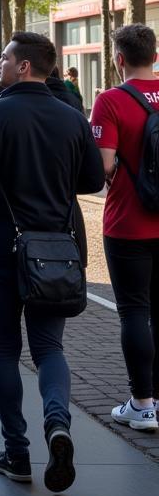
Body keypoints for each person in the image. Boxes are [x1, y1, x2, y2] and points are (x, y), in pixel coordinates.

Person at [0, 32, 104, 493]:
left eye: (4, 58)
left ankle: (16, 453)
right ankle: (58, 424)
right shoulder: (71, 118)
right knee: (49, 348)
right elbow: (94, 179)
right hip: (54, 251)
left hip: (0, 245)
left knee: (3, 348)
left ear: (23, 67)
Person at [89, 23, 159, 433]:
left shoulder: (111, 101)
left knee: (135, 310)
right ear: (154, 55)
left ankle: (142, 403)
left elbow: (103, 167)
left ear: (118, 59)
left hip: (128, 223)